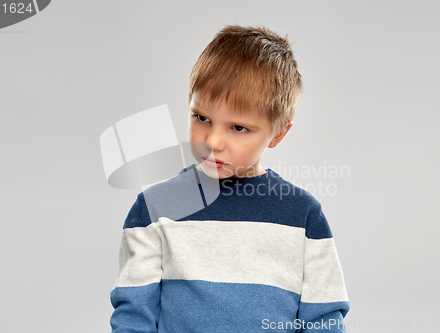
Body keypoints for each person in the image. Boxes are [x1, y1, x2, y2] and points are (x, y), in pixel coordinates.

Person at [110, 25, 350, 332]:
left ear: (278, 133)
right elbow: (134, 315)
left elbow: (324, 318)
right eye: (202, 118)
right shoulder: (155, 207)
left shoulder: (302, 216)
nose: (213, 140)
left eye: (238, 128)